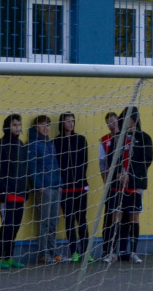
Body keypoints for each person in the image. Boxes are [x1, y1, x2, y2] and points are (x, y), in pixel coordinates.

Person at [103, 106, 153, 264]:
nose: (126, 122)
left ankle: (133, 251)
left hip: (134, 184)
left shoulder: (144, 138)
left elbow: (147, 160)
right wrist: (117, 174)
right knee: (115, 218)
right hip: (118, 185)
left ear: (135, 120)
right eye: (124, 119)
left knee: (133, 218)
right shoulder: (117, 138)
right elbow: (110, 159)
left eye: (129, 119)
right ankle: (112, 252)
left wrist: (130, 176)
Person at [0, 114, 29, 269]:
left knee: (15, 225)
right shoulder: (0, 145)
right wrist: (3, 191)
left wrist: (26, 189)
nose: (17, 128)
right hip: (7, 193)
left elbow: (24, 169)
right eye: (14, 125)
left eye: (19, 125)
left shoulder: (21, 145)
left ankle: (9, 257)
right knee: (7, 225)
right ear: (8, 126)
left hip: (20, 192)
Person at [53, 111, 90, 262]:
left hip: (80, 186)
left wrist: (79, 179)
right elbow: (56, 164)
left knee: (81, 218)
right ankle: (74, 251)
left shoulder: (81, 139)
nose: (71, 124)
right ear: (62, 123)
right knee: (69, 219)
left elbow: (84, 161)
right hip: (65, 187)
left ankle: (86, 252)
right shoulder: (56, 142)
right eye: (68, 121)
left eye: (72, 121)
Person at [26, 114, 62, 264]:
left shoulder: (51, 144)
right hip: (44, 189)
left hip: (55, 188)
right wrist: (39, 186)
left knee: (54, 223)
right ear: (36, 127)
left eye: (48, 125)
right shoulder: (33, 145)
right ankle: (43, 254)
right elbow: (31, 168)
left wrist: (60, 184)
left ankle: (53, 252)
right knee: (45, 222)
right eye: (43, 125)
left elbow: (55, 165)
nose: (46, 128)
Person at [97, 111, 120, 260]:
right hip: (111, 186)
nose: (111, 125)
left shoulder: (127, 138)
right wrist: (106, 183)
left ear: (118, 121)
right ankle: (107, 249)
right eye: (108, 123)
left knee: (121, 217)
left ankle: (120, 249)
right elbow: (102, 164)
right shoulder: (104, 140)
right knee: (109, 216)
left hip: (125, 185)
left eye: (113, 121)